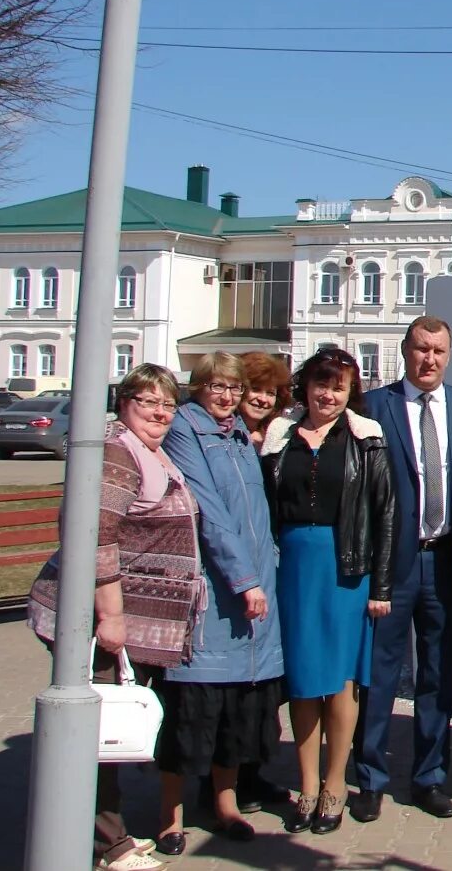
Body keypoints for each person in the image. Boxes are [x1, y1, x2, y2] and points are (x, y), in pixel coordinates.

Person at [27, 364, 203, 871]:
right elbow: (94, 536)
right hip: (97, 622)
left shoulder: (149, 451)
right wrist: (112, 615)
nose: (160, 412)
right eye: (147, 401)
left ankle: (107, 834)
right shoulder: (116, 452)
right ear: (124, 402)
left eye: (168, 403)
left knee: (107, 732)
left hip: (123, 620)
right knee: (98, 735)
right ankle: (106, 845)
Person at [353, 318, 452, 823]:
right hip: (390, 564)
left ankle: (429, 777)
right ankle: (369, 777)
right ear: (405, 351)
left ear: (449, 354)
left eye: (438, 350)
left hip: (445, 561)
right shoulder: (373, 407)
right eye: (420, 349)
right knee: (380, 673)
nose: (428, 359)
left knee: (437, 674)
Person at [260, 348, 396, 835]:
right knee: (302, 681)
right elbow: (264, 510)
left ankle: (336, 783)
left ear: (350, 391)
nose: (329, 395)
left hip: (346, 570)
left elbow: (385, 514)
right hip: (293, 568)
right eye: (321, 384)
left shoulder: (366, 437)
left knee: (339, 681)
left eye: (338, 386)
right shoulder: (279, 438)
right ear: (306, 386)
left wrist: (380, 585)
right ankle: (307, 784)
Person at [153, 354, 285, 855]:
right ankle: (170, 815)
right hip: (214, 592)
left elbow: (256, 512)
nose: (227, 395)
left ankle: (225, 803)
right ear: (197, 387)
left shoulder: (235, 435)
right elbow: (209, 512)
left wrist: (265, 569)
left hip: (252, 592)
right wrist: (246, 579)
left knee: (235, 711)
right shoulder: (187, 431)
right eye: (216, 386)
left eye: (233, 386)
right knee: (192, 711)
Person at [238, 352, 292, 451]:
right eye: (255, 389)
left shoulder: (279, 439)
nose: (263, 399)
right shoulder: (220, 434)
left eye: (270, 393)